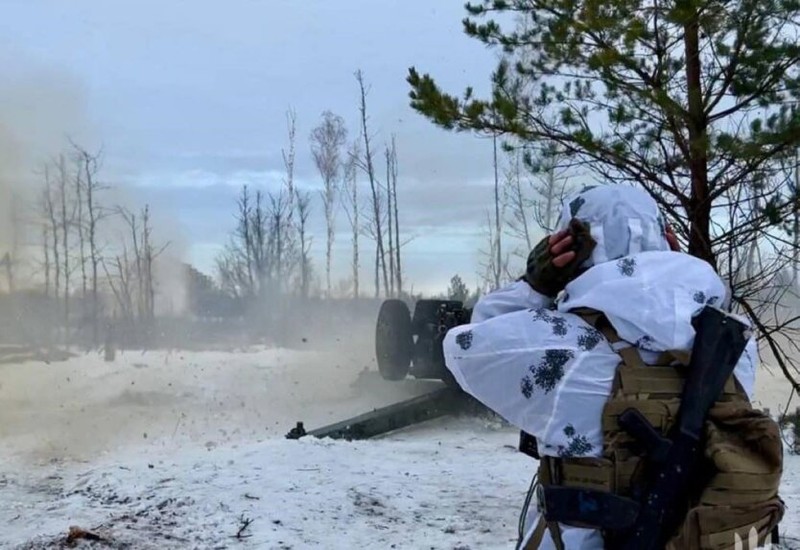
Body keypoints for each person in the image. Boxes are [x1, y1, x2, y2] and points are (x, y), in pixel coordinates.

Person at [441, 184, 777, 549]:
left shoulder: (561, 347)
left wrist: (534, 286)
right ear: (666, 241)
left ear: (568, 249)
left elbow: (463, 349)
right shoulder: (733, 345)